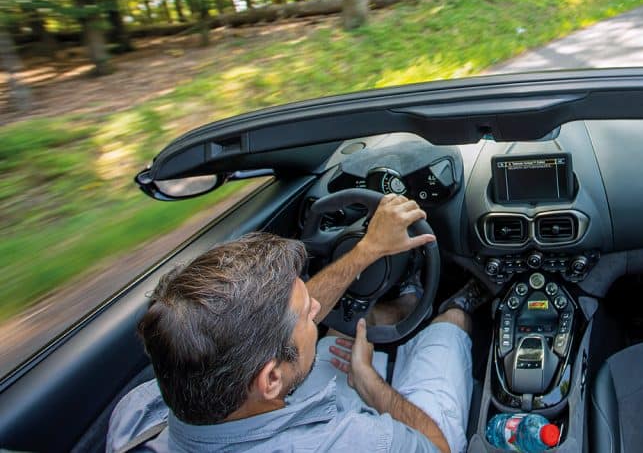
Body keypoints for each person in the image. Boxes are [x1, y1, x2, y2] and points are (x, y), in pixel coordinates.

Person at [106, 193, 488, 453]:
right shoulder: (357, 443)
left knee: (336, 333)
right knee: (442, 343)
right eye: (308, 315)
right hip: (356, 412)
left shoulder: (139, 412)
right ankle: (456, 312)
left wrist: (368, 250)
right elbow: (436, 447)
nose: (317, 308)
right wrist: (368, 382)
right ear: (270, 379)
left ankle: (403, 305)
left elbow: (277, 321)